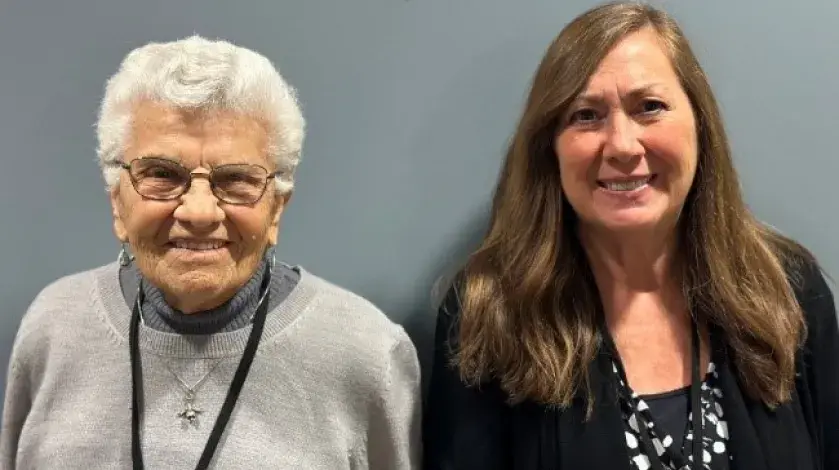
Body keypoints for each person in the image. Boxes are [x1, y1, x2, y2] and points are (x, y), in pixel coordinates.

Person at [423, 3, 838, 470]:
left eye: (650, 107)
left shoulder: (789, 292)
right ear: (549, 149)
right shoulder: (489, 313)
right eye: (586, 115)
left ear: (700, 126)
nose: (622, 145)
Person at [1, 35, 421, 469]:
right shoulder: (53, 327)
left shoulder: (367, 354)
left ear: (276, 207)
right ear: (116, 201)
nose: (199, 212)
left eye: (235, 178)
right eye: (161, 174)